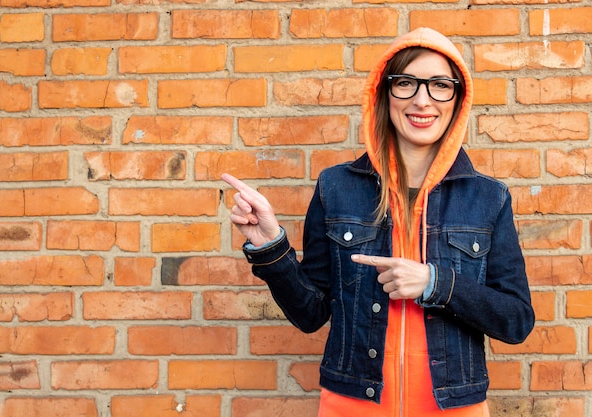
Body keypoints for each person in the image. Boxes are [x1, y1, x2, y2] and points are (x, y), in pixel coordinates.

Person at [222, 27, 534, 416]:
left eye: (440, 85)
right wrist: (269, 246)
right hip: (352, 404)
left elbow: (516, 320)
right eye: (406, 83)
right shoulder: (336, 188)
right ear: (384, 93)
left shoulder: (487, 198)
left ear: (458, 98)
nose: (422, 100)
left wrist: (435, 283)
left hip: (452, 408)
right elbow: (310, 314)